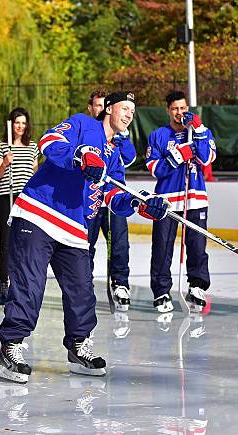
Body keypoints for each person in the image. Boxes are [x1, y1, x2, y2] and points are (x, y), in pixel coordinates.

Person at [0, 91, 169, 384]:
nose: (129, 115)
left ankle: (77, 347)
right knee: (30, 285)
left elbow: (112, 195)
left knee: (82, 291)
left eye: (133, 112)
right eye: (125, 108)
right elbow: (49, 142)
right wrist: (80, 156)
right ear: (109, 109)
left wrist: (139, 202)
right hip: (38, 213)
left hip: (74, 226)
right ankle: (9, 347)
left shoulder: (114, 154)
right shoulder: (82, 124)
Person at [145, 91, 217, 313]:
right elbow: (155, 169)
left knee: (197, 246)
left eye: (183, 108)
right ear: (168, 110)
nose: (180, 113)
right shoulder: (158, 135)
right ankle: (161, 291)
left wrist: (199, 130)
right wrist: (177, 157)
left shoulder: (199, 132)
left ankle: (197, 285)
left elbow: (206, 159)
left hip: (194, 199)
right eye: (175, 109)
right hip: (166, 201)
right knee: (162, 247)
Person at [86, 90, 137, 311]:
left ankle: (120, 283)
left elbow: (130, 158)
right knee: (84, 245)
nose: (99, 109)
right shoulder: (87, 131)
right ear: (93, 109)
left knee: (119, 244)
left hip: (112, 200)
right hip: (89, 201)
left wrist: (122, 139)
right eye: (96, 106)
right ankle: (83, 283)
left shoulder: (119, 134)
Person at [0, 107, 39, 305]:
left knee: (25, 243)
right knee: (6, 242)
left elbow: (35, 174)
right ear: (11, 125)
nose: (20, 126)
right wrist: (5, 162)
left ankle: (21, 284)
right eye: (17, 122)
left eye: (23, 122)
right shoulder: (2, 146)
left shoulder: (33, 147)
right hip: (6, 197)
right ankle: (4, 284)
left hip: (26, 199)